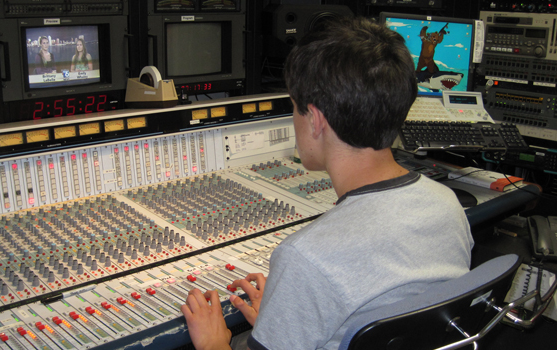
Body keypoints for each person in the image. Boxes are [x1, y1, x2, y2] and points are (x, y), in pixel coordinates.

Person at [181, 16, 473, 350]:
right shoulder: (447, 204)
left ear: (316, 120)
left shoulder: (306, 257)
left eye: (293, 108)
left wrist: (213, 345)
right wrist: (284, 316)